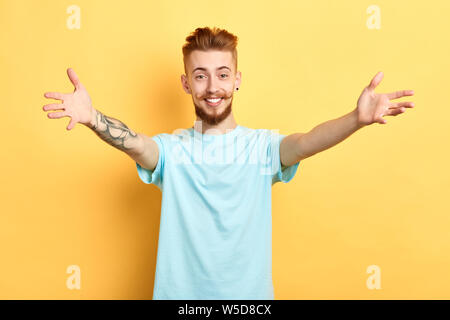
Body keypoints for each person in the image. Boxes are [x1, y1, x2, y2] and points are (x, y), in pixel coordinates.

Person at [42, 26, 415, 300]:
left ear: (237, 80)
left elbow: (305, 143)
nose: (212, 87)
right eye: (200, 76)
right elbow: (136, 144)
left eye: (222, 75)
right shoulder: (172, 151)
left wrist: (356, 118)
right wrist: (93, 118)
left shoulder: (262, 148)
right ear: (186, 84)